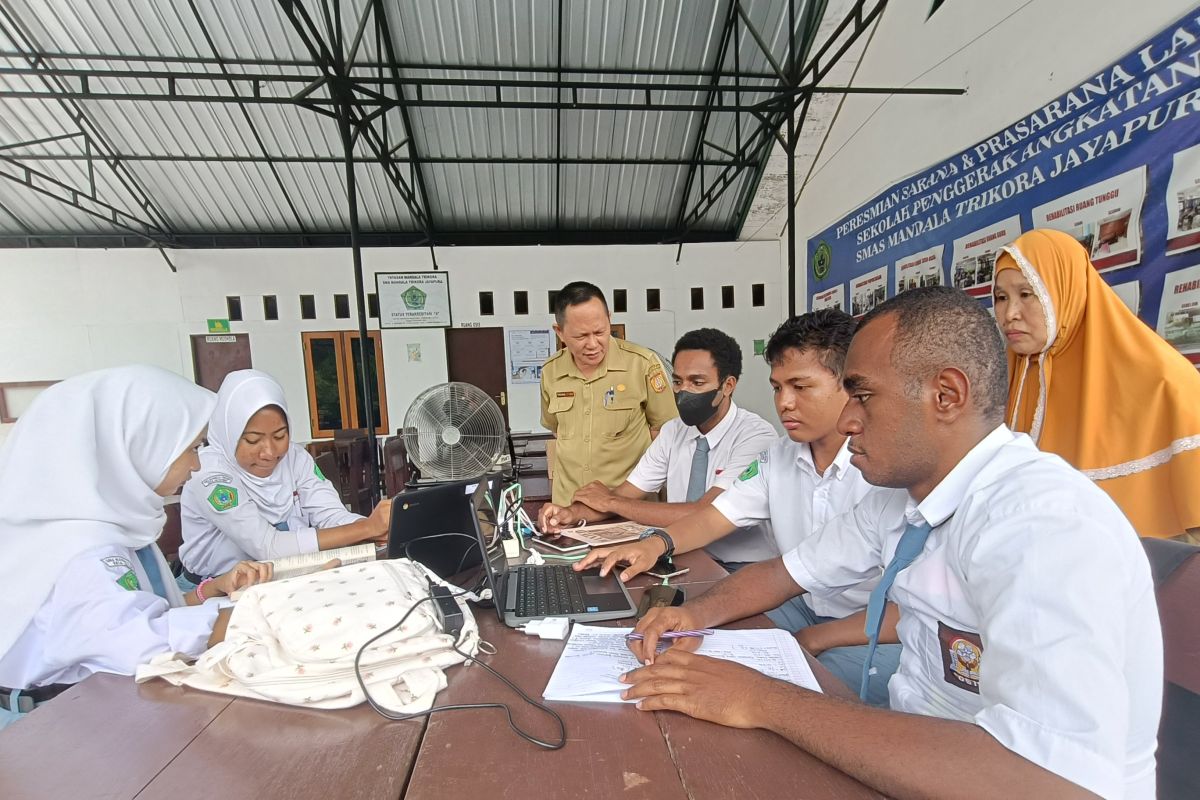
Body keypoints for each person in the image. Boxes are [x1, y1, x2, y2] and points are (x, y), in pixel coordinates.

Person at [622, 287, 1162, 799]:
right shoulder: (900, 498)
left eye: (862, 395)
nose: (849, 420)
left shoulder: (1040, 524)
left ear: (946, 396)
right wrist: (691, 616)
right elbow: (786, 572)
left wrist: (761, 698)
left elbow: (1048, 780)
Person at [576, 310, 902, 705]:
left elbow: (910, 613)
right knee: (695, 649)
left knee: (792, 690)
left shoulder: (886, 471)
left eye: (800, 387)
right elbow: (716, 517)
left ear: (849, 386)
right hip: (800, 604)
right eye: (777, 388)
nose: (785, 403)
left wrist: (812, 639)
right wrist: (655, 546)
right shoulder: (779, 456)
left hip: (870, 627)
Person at [0, 366, 273, 728]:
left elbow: (135, 609)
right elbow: (142, 644)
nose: (195, 464)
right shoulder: (79, 551)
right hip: (54, 733)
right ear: (137, 445)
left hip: (92, 715)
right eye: (191, 448)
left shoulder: (107, 526)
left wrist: (210, 591)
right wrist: (266, 613)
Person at [994, 228, 1200, 540]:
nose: (1010, 314)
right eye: (1000, 298)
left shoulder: (1162, 380)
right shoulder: (1008, 378)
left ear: (1067, 291)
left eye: (1027, 294)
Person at [539, 328, 778, 570]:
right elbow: (627, 494)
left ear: (727, 385)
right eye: (677, 381)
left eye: (697, 382)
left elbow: (706, 514)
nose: (683, 391)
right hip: (678, 556)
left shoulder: (755, 437)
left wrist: (611, 502)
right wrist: (571, 514)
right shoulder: (674, 431)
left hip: (741, 566)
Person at [179, 369, 391, 583]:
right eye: (253, 440)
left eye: (280, 435)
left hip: (285, 578)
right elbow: (268, 547)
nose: (270, 453)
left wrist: (379, 531)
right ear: (228, 433)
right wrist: (366, 528)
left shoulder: (295, 457)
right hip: (212, 591)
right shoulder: (208, 472)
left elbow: (331, 515)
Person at [540, 281, 678, 506]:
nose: (593, 344)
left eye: (600, 332)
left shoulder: (642, 365)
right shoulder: (551, 372)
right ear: (560, 332)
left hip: (629, 506)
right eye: (581, 336)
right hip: (569, 506)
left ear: (609, 320)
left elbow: (665, 433)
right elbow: (557, 429)